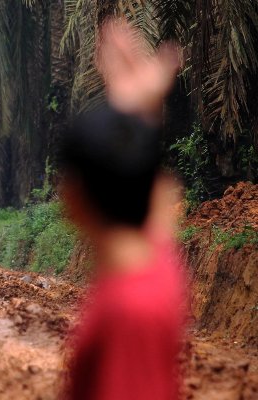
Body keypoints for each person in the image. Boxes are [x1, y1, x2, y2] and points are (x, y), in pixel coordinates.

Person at [60, 20, 187, 400]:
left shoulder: (129, 312)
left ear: (74, 200)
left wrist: (140, 116)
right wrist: (142, 113)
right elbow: (154, 198)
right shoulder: (158, 268)